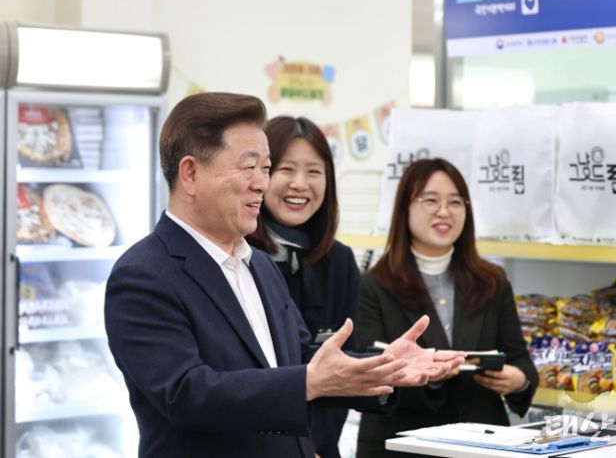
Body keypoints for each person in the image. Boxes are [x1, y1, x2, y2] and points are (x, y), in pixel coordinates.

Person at [104, 93, 464, 458]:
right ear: (191, 173)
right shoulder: (143, 274)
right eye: (249, 167)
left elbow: (303, 358)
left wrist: (383, 367)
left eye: (266, 167)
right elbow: (187, 393)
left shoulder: (259, 264)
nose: (262, 183)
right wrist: (308, 381)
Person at [356, 158, 538, 457]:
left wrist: (518, 381)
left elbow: (520, 360)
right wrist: (425, 374)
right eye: (430, 200)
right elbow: (367, 373)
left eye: (455, 202)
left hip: (482, 444)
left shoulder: (492, 281)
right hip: (402, 443)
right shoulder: (373, 285)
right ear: (404, 208)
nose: (444, 211)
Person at [247, 116, 358, 458]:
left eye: (313, 172)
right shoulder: (238, 256)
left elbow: (343, 366)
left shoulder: (340, 261)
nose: (300, 184)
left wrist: (314, 447)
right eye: (286, 169)